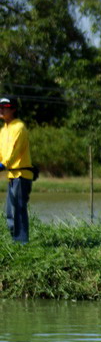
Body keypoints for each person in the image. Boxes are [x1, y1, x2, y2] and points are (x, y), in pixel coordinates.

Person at [0, 96, 34, 244]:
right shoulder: (4, 130)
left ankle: (22, 243)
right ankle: (16, 241)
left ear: (13, 109)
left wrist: (2, 165)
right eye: (0, 107)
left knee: (18, 210)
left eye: (5, 107)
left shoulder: (19, 127)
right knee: (9, 212)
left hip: (21, 174)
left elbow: (14, 151)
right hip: (12, 175)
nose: (1, 110)